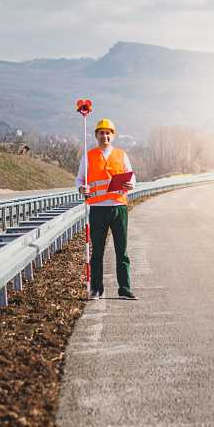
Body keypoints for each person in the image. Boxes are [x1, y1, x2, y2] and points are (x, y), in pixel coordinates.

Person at [76, 118, 137, 300]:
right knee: (97, 252)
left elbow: (132, 178)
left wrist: (130, 184)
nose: (105, 136)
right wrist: (82, 189)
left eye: (108, 132)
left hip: (119, 207)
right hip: (97, 209)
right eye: (101, 133)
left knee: (122, 251)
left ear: (113, 135)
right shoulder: (88, 156)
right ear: (96, 135)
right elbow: (79, 180)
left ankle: (125, 289)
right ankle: (96, 289)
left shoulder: (121, 155)